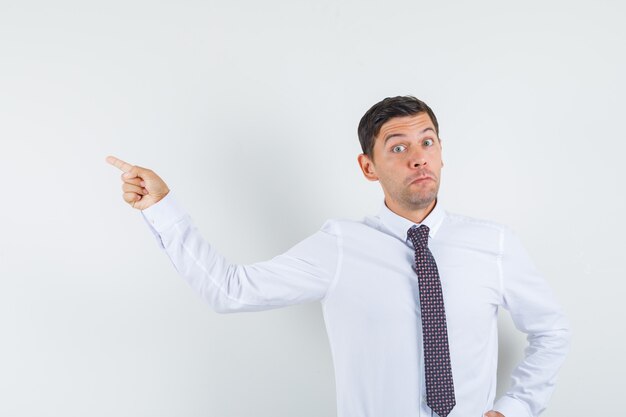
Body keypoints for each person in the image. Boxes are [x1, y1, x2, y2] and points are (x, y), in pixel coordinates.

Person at [106, 96, 570, 417]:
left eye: (428, 142)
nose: (418, 158)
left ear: (443, 154)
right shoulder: (340, 247)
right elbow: (230, 290)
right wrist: (162, 209)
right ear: (368, 167)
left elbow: (551, 330)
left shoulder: (494, 244)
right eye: (399, 147)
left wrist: (517, 408)